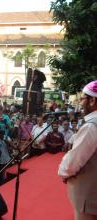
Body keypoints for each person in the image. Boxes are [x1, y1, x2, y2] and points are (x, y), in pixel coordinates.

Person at [58, 80, 97, 220]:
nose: (80, 103)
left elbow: (71, 165)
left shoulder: (91, 127)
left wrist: (63, 173)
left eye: (82, 98)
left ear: (92, 100)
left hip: (90, 198)